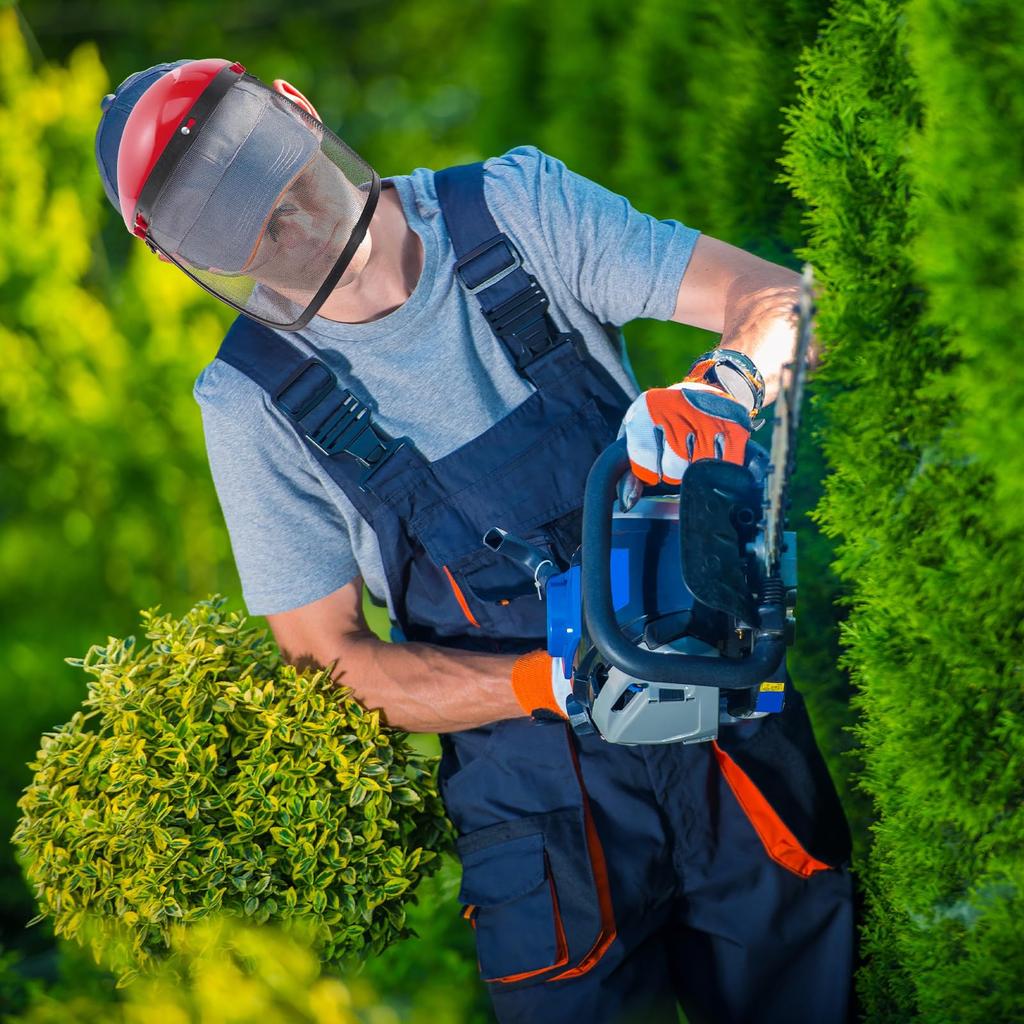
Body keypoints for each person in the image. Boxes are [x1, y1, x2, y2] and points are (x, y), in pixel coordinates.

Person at [95, 58, 853, 1024]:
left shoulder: (514, 211)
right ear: (185, 257)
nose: (282, 222)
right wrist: (550, 682)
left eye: (270, 177)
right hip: (538, 814)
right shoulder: (252, 404)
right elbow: (331, 665)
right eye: (235, 225)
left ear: (298, 110)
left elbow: (786, 302)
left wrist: (729, 384)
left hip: (720, 719)